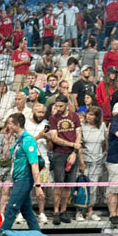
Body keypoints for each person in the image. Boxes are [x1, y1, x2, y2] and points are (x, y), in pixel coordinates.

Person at [1, 113, 45, 232]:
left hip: (24, 179)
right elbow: (5, 157)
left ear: (17, 125)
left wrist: (38, 186)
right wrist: (7, 138)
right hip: (17, 179)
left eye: (10, 123)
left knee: (11, 209)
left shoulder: (28, 140)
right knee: (27, 212)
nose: (8, 125)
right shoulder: (17, 141)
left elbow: (34, 163)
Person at [47, 95, 81, 224]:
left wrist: (74, 152)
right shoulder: (53, 118)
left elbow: (79, 134)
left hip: (72, 154)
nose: (58, 108)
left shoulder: (75, 116)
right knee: (58, 184)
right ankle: (55, 211)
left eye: (60, 106)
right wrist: (72, 145)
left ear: (67, 105)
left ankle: (63, 210)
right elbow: (54, 138)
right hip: (59, 154)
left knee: (68, 185)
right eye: (56, 106)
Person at [79, 106, 105, 221]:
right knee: (81, 187)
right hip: (84, 161)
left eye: (92, 114)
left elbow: (104, 143)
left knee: (93, 188)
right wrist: (81, 162)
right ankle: (79, 211)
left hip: (97, 161)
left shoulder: (103, 126)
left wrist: (101, 155)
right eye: (88, 114)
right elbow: (79, 144)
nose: (89, 116)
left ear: (97, 117)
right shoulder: (81, 127)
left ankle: (90, 211)